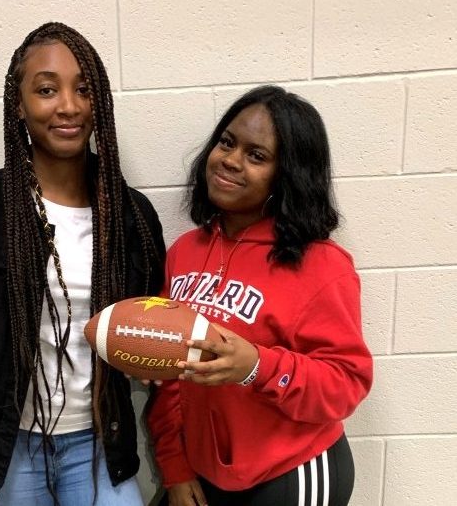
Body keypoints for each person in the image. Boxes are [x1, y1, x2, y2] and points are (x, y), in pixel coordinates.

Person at [0, 22, 165, 506]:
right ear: (18, 105)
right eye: (47, 89)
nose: (68, 105)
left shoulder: (133, 216)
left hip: (97, 442)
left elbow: (149, 325)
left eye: (84, 89)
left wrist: (154, 361)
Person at [146, 85, 373, 506]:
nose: (230, 160)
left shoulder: (321, 264)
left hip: (293, 471)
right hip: (201, 471)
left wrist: (257, 366)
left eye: (257, 155)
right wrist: (175, 467)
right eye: (227, 142)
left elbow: (347, 383)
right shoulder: (184, 253)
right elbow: (171, 379)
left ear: (288, 175)